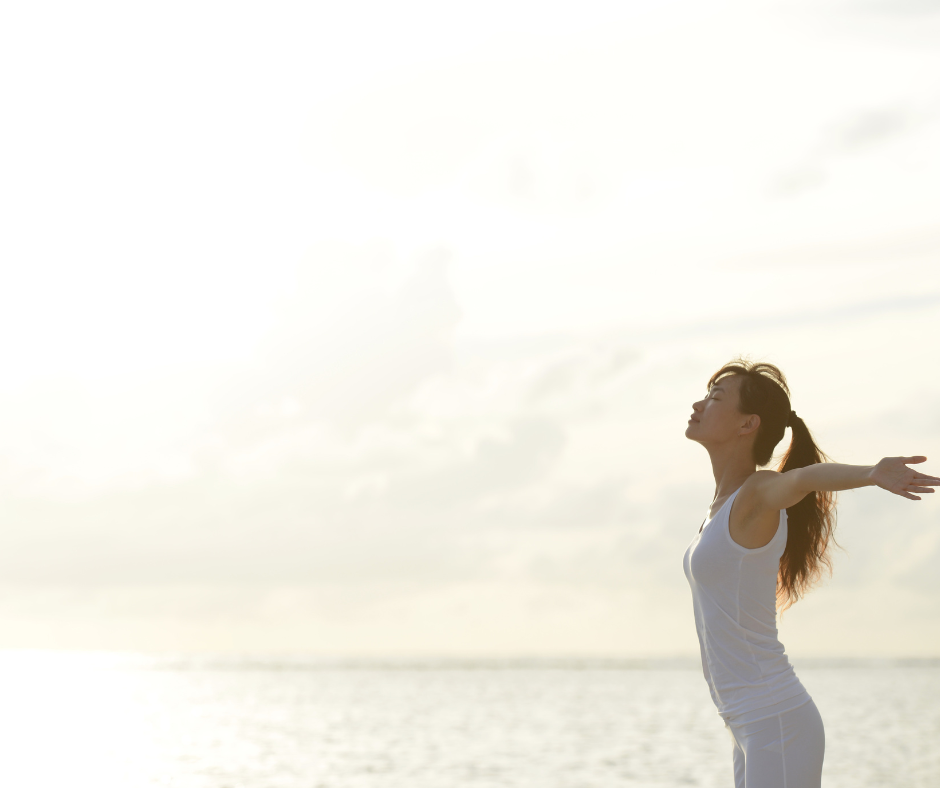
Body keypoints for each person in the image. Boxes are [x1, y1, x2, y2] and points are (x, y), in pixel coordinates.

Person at [682, 359, 939, 788]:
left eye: (715, 398)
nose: (698, 404)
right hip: (746, 721)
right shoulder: (720, 509)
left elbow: (802, 479)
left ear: (748, 424)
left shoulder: (757, 493)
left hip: (774, 720)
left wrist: (871, 474)